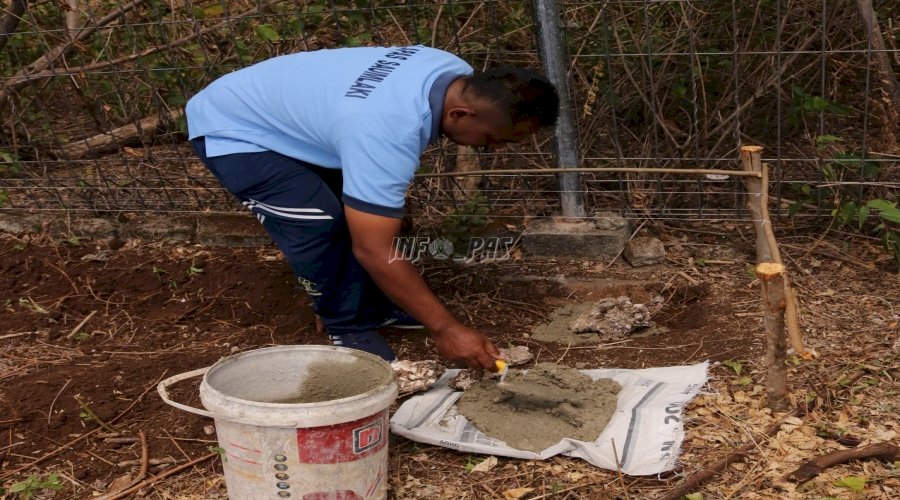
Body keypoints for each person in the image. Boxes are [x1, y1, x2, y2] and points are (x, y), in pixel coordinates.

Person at [186, 45, 559, 370]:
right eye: (492, 139)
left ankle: (373, 306)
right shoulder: (388, 128)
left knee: (368, 217)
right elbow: (374, 249)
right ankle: (347, 324)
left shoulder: (447, 68)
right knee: (317, 223)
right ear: (460, 115)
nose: (493, 149)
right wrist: (446, 329)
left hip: (297, 115)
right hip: (235, 127)